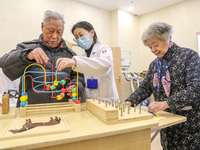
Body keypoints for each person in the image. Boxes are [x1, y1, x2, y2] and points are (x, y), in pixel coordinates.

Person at [125, 22, 200, 150]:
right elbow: (145, 87)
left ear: (167, 38)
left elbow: (196, 88)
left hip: (189, 124)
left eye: (155, 44)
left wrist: (167, 103)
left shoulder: (189, 56)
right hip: (166, 121)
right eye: (149, 47)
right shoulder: (154, 64)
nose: (153, 50)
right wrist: (129, 101)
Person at [0, 10, 85, 107]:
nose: (54, 36)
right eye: (51, 31)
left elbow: (78, 77)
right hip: (30, 110)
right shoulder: (27, 48)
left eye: (59, 32)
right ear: (42, 26)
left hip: (62, 110)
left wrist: (76, 86)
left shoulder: (70, 55)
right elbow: (4, 63)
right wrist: (26, 56)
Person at [56, 21, 119, 102]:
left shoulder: (104, 49)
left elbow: (105, 65)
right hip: (89, 101)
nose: (79, 39)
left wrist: (76, 62)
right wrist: (75, 87)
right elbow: (81, 79)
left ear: (92, 32)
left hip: (107, 101)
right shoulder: (82, 57)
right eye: (76, 37)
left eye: (81, 35)